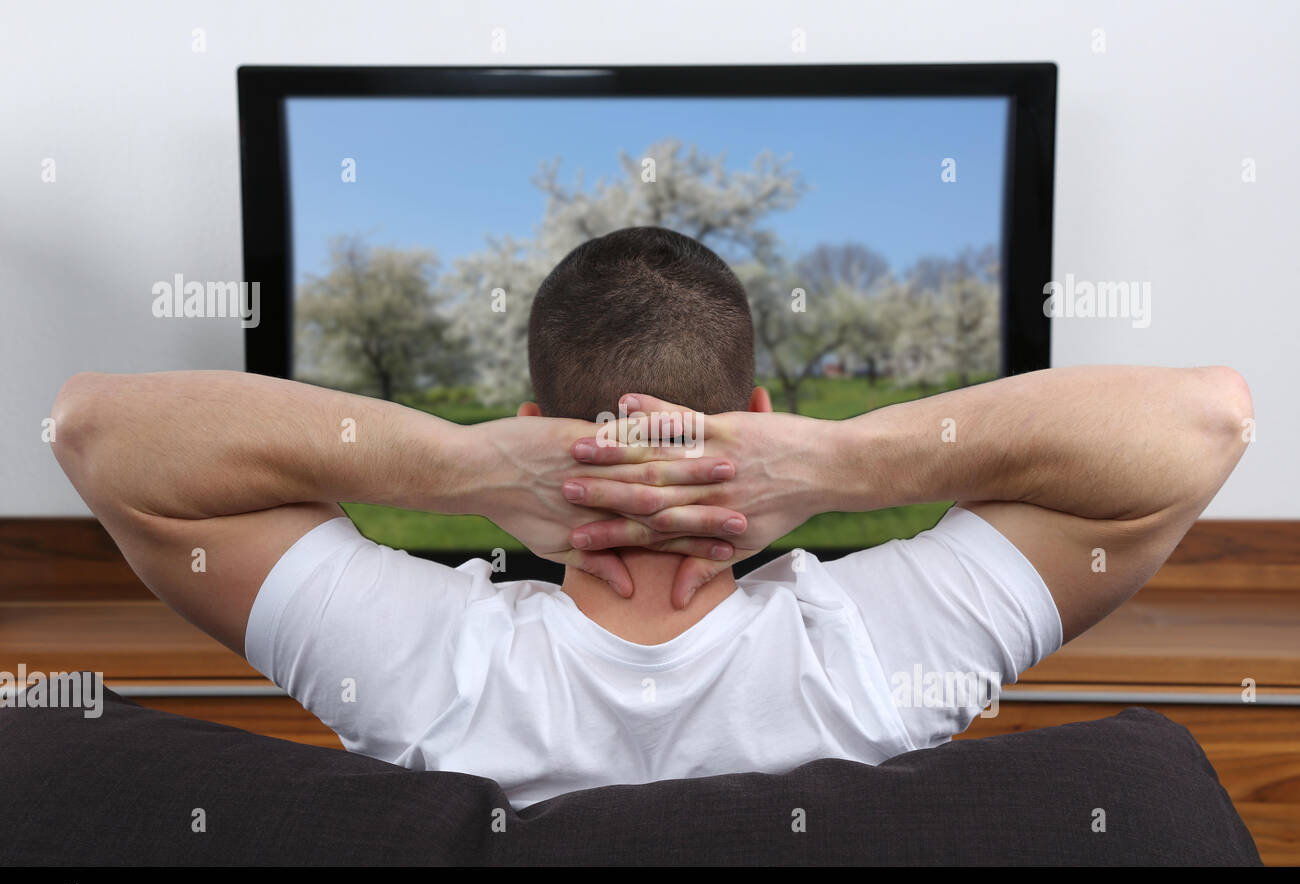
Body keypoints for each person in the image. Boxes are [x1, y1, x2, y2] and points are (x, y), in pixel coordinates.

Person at [50, 226, 1252, 809]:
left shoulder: (419, 664)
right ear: (762, 411)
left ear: (532, 416)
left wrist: (459, 465)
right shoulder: (883, 652)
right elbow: (1207, 422)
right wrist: (844, 460)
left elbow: (94, 431)